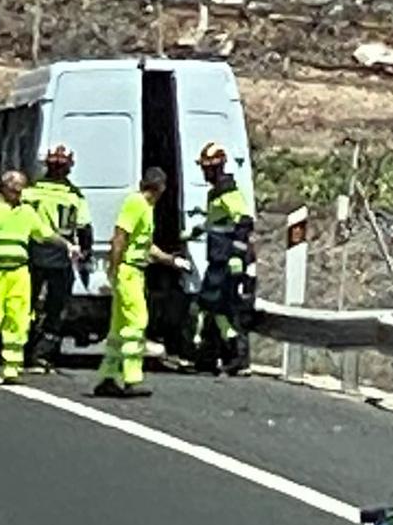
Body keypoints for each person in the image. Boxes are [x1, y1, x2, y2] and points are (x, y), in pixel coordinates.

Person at [0, 169, 70, 384]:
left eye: (21, 191)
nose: (18, 195)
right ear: (4, 187)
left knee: (18, 319)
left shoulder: (26, 212)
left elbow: (45, 234)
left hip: (19, 272)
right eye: (14, 190)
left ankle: (12, 368)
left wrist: (68, 246)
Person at [94, 167, 184, 400]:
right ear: (161, 187)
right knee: (137, 322)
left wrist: (170, 260)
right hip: (128, 272)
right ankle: (132, 378)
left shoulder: (145, 207)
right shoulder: (135, 204)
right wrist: (114, 269)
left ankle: (108, 376)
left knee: (119, 328)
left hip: (133, 271)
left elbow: (144, 246)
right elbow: (120, 236)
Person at [23, 146, 90, 372]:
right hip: (60, 255)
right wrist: (85, 255)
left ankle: (22, 348)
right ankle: (42, 355)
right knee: (56, 307)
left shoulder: (31, 191)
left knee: (27, 304)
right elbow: (84, 228)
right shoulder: (74, 196)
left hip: (33, 252)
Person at [192, 141, 256, 377]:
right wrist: (197, 231)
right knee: (212, 308)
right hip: (217, 258)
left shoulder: (229, 193)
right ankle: (212, 356)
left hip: (227, 260)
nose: (204, 172)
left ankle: (236, 356)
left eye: (207, 168)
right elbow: (218, 224)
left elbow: (244, 221)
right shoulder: (216, 193)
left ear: (217, 168)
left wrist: (237, 254)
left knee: (219, 308)